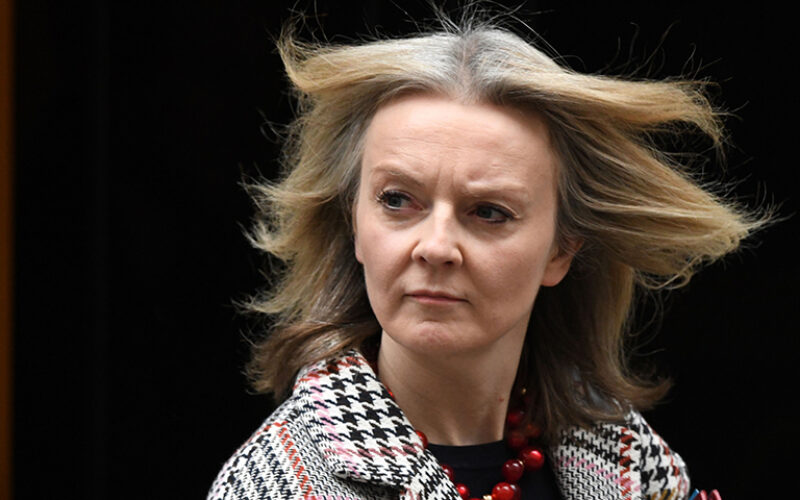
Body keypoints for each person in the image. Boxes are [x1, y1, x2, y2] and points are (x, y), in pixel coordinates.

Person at [208, 13, 762, 500]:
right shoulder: (275, 484)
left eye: (489, 212)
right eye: (397, 200)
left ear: (561, 249)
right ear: (353, 224)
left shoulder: (625, 458)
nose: (435, 247)